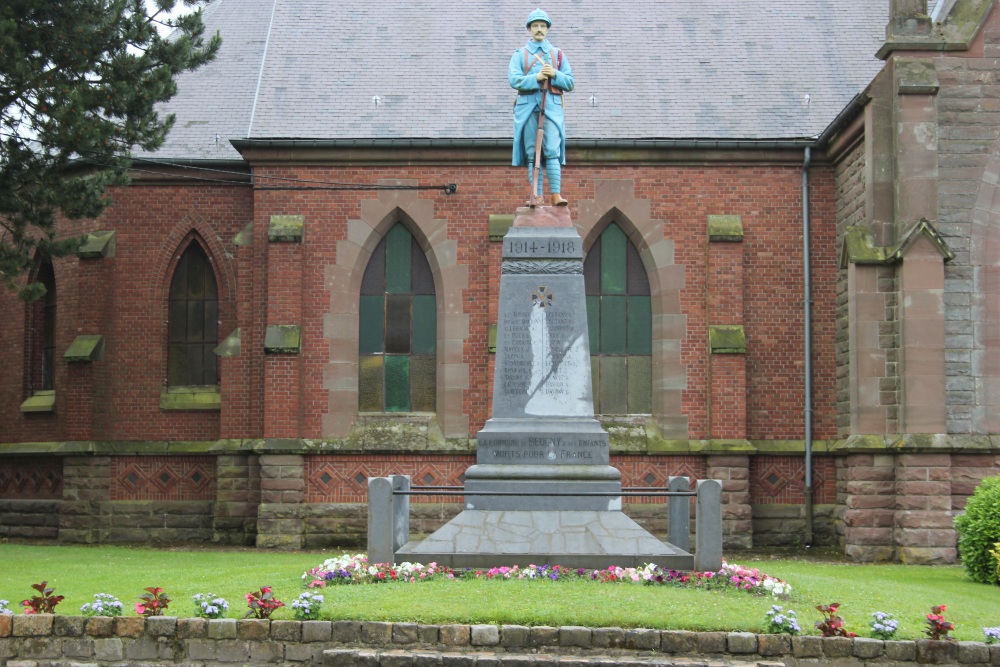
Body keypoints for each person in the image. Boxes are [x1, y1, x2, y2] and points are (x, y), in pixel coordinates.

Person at [509, 8, 574, 207]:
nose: (539, 29)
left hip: (552, 109)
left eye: (542, 26)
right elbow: (514, 79)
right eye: (535, 26)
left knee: (551, 150)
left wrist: (554, 74)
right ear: (529, 29)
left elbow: (570, 83)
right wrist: (535, 78)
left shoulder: (558, 55)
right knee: (532, 153)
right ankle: (535, 195)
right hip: (528, 108)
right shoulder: (520, 55)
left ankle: (556, 194)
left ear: (547, 29)